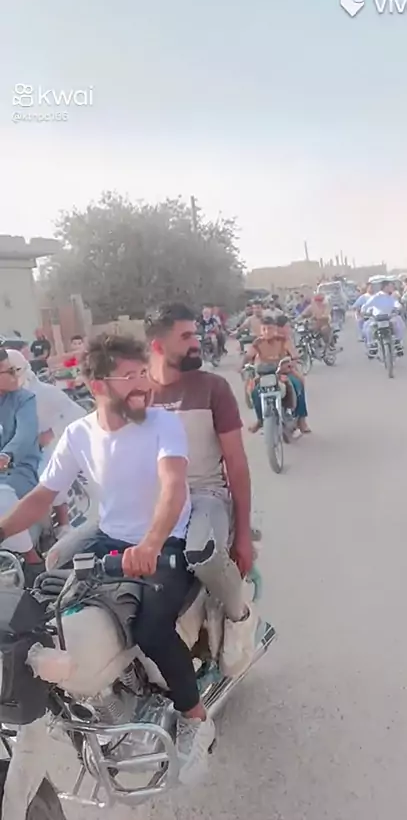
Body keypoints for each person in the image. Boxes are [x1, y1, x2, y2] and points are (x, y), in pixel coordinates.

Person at [0, 333, 215, 781]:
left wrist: (151, 544)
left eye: (144, 373)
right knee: (36, 609)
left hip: (164, 542)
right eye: (129, 376)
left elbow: (173, 487)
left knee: (151, 627)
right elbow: (41, 496)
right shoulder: (79, 434)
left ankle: (196, 718)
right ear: (98, 385)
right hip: (109, 539)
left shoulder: (162, 424)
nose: (143, 384)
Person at [145, 304, 257, 677]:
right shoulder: (136, 391)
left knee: (203, 555)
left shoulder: (213, 388)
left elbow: (236, 464)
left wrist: (243, 535)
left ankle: (240, 619)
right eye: (186, 336)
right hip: (157, 501)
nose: (197, 341)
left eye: (196, 333)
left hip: (205, 497)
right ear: (158, 345)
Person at [6, 349, 85, 536]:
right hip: (16, 450)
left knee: (47, 477)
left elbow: (78, 414)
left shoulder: (45, 393)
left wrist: (51, 433)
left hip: (47, 446)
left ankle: (63, 523)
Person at [0, 348, 41, 559]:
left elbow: (25, 435)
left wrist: (6, 456)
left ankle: (32, 558)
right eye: (9, 372)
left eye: (15, 369)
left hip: (18, 468)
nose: (15, 375)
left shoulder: (24, 399)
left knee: (2, 495)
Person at [244, 317, 309, 434]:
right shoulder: (257, 343)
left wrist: (292, 362)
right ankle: (260, 420)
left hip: (283, 372)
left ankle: (301, 420)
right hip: (264, 375)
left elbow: (294, 355)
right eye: (264, 329)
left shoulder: (283, 340)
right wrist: (242, 366)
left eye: (269, 329)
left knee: (297, 384)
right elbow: (248, 356)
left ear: (275, 329)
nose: (266, 332)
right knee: (254, 392)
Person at [362, 280, 405, 357]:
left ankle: (398, 343)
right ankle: (372, 345)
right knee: (368, 328)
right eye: (390, 286)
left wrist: (398, 307)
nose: (392, 287)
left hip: (389, 317)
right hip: (377, 318)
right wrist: (364, 311)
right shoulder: (376, 297)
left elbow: (396, 304)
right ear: (385, 287)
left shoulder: (391, 296)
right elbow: (367, 305)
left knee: (399, 324)